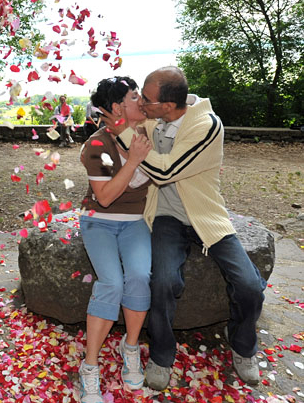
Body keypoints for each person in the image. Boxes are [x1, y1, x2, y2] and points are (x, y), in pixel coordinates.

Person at [101, 66, 266, 390]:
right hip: (166, 217)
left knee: (248, 285)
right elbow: (124, 122)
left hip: (207, 215)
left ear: (168, 105)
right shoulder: (153, 119)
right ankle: (162, 356)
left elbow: (165, 172)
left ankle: (243, 345)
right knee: (162, 282)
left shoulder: (206, 125)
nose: (142, 104)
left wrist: (123, 133)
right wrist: (115, 116)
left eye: (146, 100)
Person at [77, 77, 152, 403]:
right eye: (136, 96)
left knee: (139, 276)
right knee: (111, 283)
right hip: (100, 222)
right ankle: (89, 366)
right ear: (119, 107)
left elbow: (186, 101)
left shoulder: (153, 131)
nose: (144, 101)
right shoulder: (97, 144)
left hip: (135, 222)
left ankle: (130, 347)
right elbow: (104, 197)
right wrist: (133, 160)